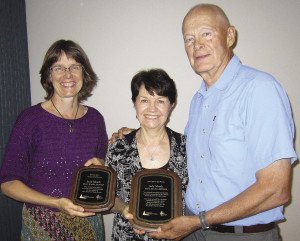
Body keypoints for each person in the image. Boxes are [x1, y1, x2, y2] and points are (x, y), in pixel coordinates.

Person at [113, 4, 298, 241]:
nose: (197, 45)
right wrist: (136, 134)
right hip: (193, 231)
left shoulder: (259, 89)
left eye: (206, 34)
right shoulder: (199, 100)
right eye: (188, 39)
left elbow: (276, 190)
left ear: (230, 36)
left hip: (239, 235)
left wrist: (200, 221)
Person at [0, 39, 108, 241]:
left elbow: (99, 168)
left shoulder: (95, 119)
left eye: (74, 67)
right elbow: (8, 183)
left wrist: (101, 166)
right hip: (43, 224)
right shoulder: (30, 119)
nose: (68, 75)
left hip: (89, 225)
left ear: (84, 73)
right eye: (59, 68)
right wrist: (56, 202)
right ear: (49, 75)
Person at [106, 69, 188, 241]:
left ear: (171, 105)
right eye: (144, 100)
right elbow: (108, 198)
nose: (152, 108)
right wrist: (124, 209)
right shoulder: (117, 148)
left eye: (160, 101)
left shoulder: (187, 148)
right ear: (134, 103)